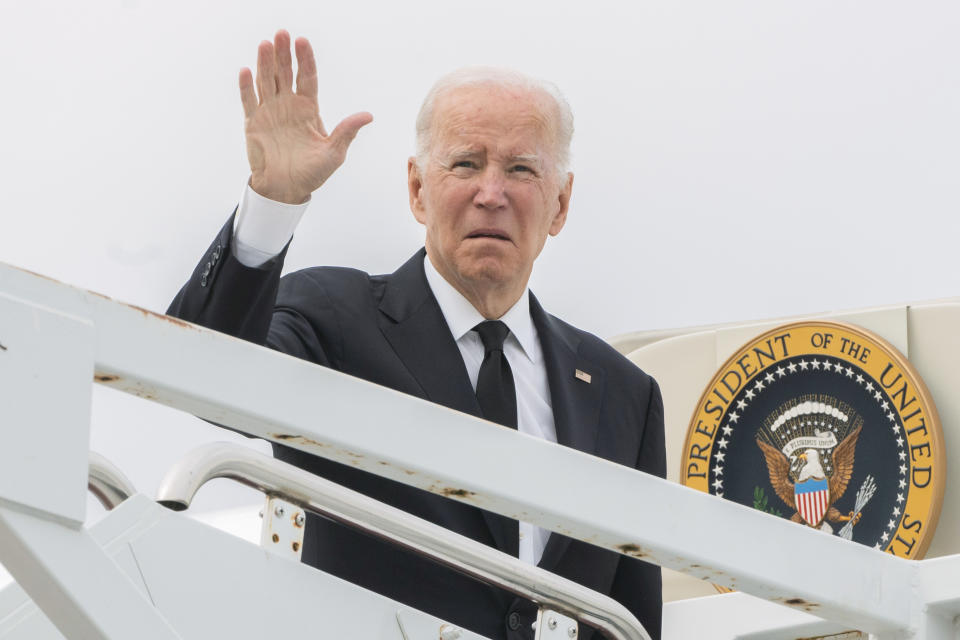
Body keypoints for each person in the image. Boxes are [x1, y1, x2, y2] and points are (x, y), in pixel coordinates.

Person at [168, 30, 666, 640]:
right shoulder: (335, 319)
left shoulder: (624, 394)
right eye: (465, 163)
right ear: (416, 189)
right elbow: (205, 376)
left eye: (520, 169)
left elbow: (632, 619)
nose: (491, 194)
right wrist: (273, 204)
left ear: (560, 203)